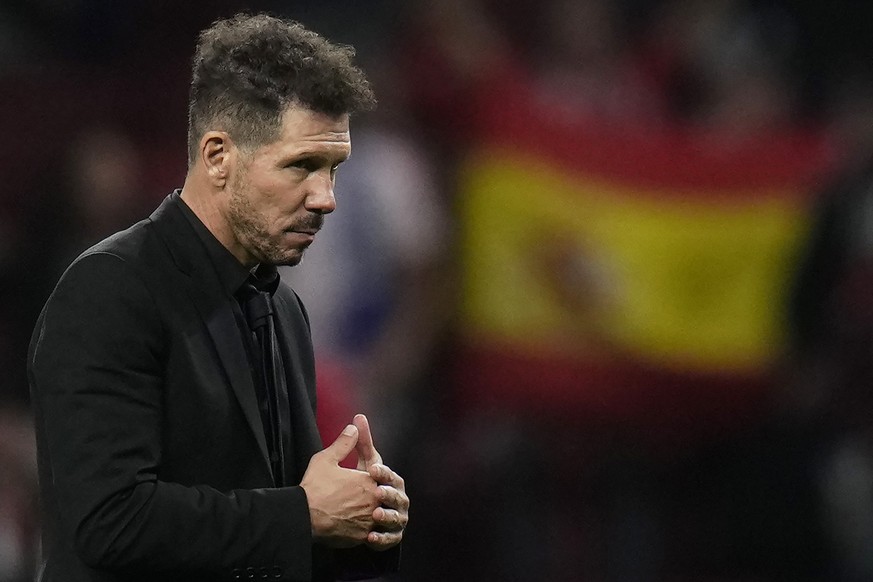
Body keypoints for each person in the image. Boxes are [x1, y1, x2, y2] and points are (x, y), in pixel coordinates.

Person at [26, 13, 408, 582]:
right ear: (217, 156)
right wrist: (304, 513)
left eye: (333, 168)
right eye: (302, 165)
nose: (326, 198)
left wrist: (362, 523)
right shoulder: (110, 289)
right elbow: (111, 522)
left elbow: (279, 535)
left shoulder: (281, 308)